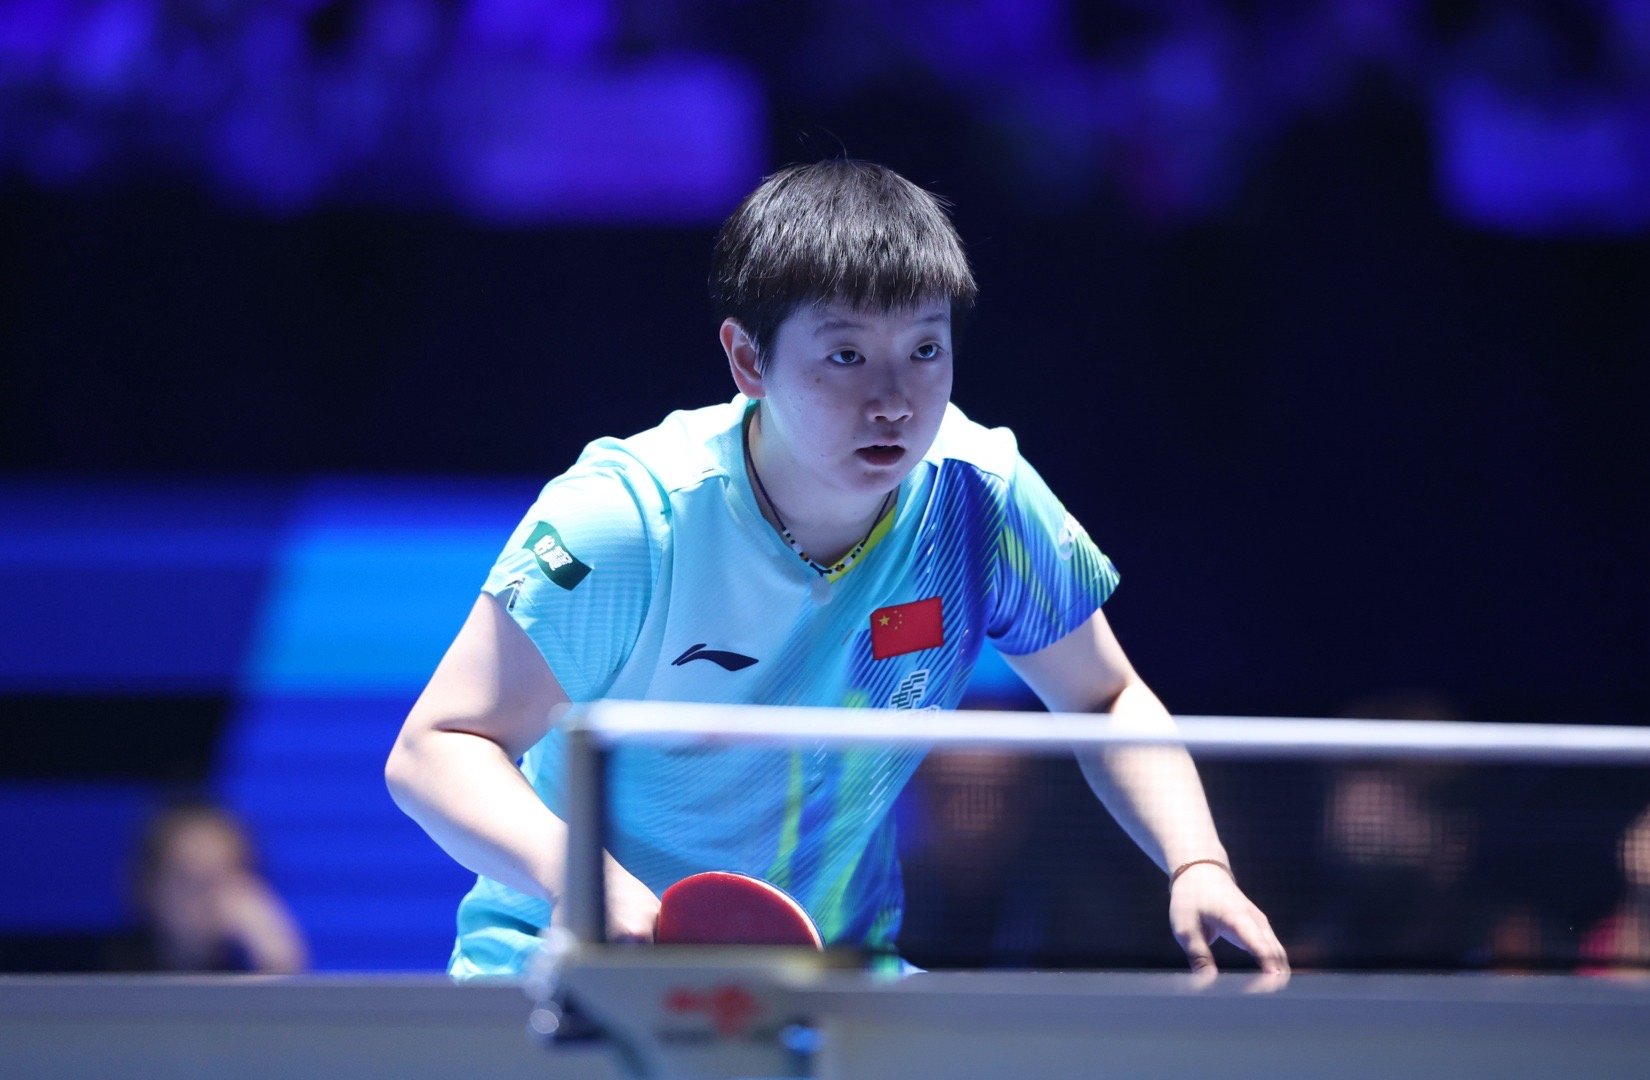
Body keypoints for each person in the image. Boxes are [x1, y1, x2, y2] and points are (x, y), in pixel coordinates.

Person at [385, 159, 1288, 981]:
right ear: (749, 359)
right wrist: (584, 881)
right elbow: (436, 748)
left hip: (831, 985)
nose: (893, 400)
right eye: (846, 355)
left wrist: (1195, 861)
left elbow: (1103, 697)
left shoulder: (978, 501)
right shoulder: (630, 520)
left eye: (925, 350)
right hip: (567, 968)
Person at [109, 801, 308, 974]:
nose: (208, 899)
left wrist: (278, 959)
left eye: (221, 880)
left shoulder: (246, 970)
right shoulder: (104, 975)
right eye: (190, 881)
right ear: (147, 885)